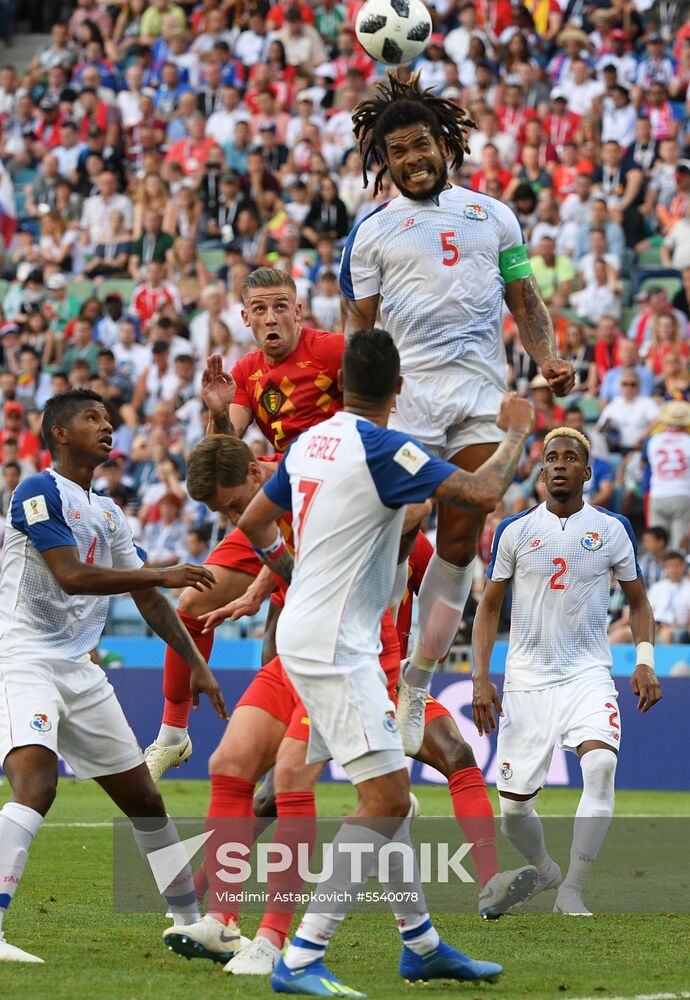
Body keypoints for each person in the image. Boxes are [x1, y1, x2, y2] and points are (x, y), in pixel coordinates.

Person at [159, 435, 537, 975]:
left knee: (341, 791)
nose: (232, 516)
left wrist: (515, 432)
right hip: (299, 647)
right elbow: (275, 535)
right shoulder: (296, 467)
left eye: (230, 504)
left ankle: (278, 945)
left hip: (355, 652)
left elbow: (440, 508)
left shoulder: (365, 461)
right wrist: (261, 588)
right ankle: (229, 921)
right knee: (235, 766)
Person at [235, 328, 536, 994]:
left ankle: (421, 944)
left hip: (318, 634)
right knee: (386, 797)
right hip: (337, 645)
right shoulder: (384, 445)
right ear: (399, 390)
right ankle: (303, 957)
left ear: (340, 385)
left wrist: (297, 576)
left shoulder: (310, 442)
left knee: (388, 788)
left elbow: (255, 524)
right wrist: (515, 433)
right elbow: (483, 493)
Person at [341, 71, 575, 755]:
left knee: (461, 542)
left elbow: (524, 299)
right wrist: (361, 416)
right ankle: (374, 665)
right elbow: (360, 333)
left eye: (421, 147)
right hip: (408, 402)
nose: (412, 160)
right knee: (398, 524)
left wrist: (548, 357)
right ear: (381, 163)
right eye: (397, 153)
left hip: (479, 399)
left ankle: (416, 681)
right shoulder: (372, 232)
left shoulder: (493, 215)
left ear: (446, 144)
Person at [0, 389, 227, 964]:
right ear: (60, 433)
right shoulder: (37, 491)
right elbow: (69, 576)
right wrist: (163, 571)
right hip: (21, 658)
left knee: (145, 800)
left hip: (79, 671)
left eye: (110, 419)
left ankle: (189, 923)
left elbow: (151, 602)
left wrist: (200, 667)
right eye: (92, 419)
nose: (108, 428)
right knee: (37, 785)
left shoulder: (108, 512)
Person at [143, 267, 344, 778]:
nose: (272, 317)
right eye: (261, 309)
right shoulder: (247, 371)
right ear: (245, 317)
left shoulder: (333, 352)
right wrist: (214, 412)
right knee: (191, 603)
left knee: (279, 656)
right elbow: (224, 458)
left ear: (298, 309)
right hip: (271, 504)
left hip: (334, 510)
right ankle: (172, 733)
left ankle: (347, 775)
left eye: (282, 306)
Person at [472, 426, 661, 917]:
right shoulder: (515, 531)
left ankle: (571, 888)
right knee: (513, 811)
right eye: (550, 457)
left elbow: (639, 603)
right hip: (526, 680)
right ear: (540, 472)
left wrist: (644, 661)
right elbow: (489, 608)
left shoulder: (612, 527)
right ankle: (546, 870)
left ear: (585, 471)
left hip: (587, 674)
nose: (558, 463)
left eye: (569, 457)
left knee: (600, 766)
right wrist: (480, 678)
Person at [645, 401, 690, 551]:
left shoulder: (654, 440)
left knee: (657, 544)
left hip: (658, 493)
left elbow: (647, 462)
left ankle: (657, 573)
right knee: (679, 547)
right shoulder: (687, 440)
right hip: (682, 494)